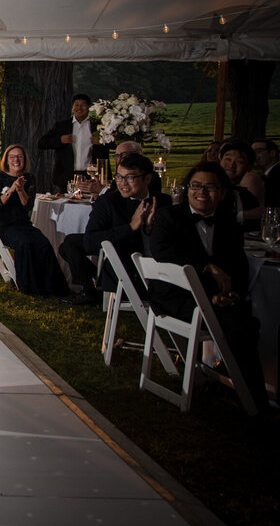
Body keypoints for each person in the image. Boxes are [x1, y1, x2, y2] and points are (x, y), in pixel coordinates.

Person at [145, 162, 268, 413]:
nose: (202, 192)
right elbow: (162, 250)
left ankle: (229, 379)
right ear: (187, 189)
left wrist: (230, 295)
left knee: (243, 319)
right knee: (241, 325)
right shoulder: (170, 216)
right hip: (176, 297)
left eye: (210, 187)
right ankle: (256, 406)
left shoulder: (228, 224)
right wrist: (207, 266)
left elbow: (238, 267)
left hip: (213, 299)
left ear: (223, 192)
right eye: (196, 185)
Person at [58, 152, 169, 306]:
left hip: (158, 271)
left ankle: (91, 289)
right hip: (122, 269)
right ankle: (91, 288)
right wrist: (130, 227)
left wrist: (150, 229)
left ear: (148, 179)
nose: (122, 183)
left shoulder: (162, 201)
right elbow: (90, 241)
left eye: (130, 177)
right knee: (69, 243)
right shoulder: (108, 202)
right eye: (119, 177)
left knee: (68, 244)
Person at [0, 144, 65, 295]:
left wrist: (21, 189)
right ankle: (29, 287)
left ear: (24, 160)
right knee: (25, 242)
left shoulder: (29, 178)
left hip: (22, 223)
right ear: (7, 160)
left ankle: (52, 287)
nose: (16, 160)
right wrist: (11, 189)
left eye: (20, 157)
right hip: (3, 224)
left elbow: (27, 206)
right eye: (13, 157)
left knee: (44, 243)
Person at [38, 93, 109, 194]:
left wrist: (102, 141)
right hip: (67, 176)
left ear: (89, 107)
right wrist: (60, 140)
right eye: (76, 104)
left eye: (83, 104)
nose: (79, 107)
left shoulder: (98, 126)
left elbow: (112, 145)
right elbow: (42, 143)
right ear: (72, 107)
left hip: (91, 177)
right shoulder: (62, 126)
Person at [219, 141, 264, 231]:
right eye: (228, 159)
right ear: (220, 161)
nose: (232, 165)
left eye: (239, 161)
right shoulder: (208, 189)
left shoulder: (246, 196)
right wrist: (242, 215)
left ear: (249, 167)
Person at [250, 137, 280, 207]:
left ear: (272, 153)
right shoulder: (265, 176)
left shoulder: (277, 176)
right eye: (252, 152)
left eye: (258, 152)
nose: (254, 156)